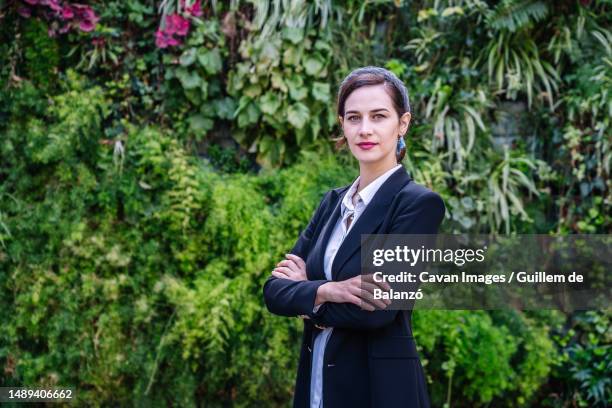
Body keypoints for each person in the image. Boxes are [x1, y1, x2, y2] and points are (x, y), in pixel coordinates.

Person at [262, 66, 445, 408]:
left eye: (378, 116)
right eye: (353, 118)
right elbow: (274, 292)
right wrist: (328, 290)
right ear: (342, 125)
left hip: (379, 391)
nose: (365, 129)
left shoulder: (417, 205)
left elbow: (377, 310)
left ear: (402, 123)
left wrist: (307, 298)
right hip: (316, 387)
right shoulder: (332, 203)